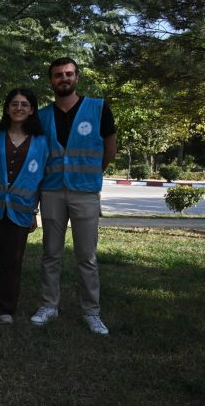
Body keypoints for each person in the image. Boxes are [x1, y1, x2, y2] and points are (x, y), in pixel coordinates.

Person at [30, 57, 117, 335]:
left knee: (86, 255)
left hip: (85, 192)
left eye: (68, 74)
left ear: (77, 77)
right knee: (50, 253)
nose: (63, 79)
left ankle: (91, 311)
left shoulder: (98, 108)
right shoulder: (42, 116)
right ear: (51, 81)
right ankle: (48, 306)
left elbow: (109, 149)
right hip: (52, 190)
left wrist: (90, 175)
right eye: (58, 75)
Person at [0, 88, 49, 326]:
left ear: (31, 110)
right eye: (14, 104)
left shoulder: (41, 142)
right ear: (7, 108)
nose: (19, 108)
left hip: (22, 209)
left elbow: (41, 178)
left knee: (13, 260)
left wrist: (34, 211)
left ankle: (6, 308)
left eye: (24, 104)